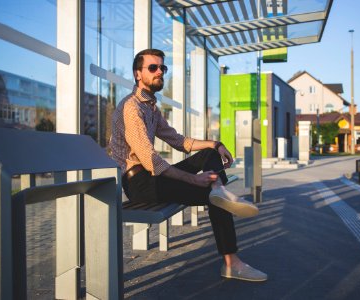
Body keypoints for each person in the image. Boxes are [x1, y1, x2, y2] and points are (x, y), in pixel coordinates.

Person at [110, 48, 267, 282]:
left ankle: (220, 193)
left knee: (208, 157)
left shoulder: (150, 106)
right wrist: (194, 179)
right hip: (140, 183)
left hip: (152, 177)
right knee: (214, 195)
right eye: (152, 68)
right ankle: (232, 262)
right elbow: (150, 159)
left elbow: (178, 141)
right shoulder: (131, 108)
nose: (159, 72)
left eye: (162, 68)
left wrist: (215, 143)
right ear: (137, 74)